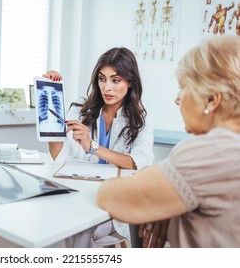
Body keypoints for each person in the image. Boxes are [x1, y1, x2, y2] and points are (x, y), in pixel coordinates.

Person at [96, 35, 240, 248]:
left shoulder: (212, 151)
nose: (177, 99)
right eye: (103, 79)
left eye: (183, 87)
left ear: (211, 99)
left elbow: (110, 197)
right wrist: (172, 206)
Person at [43, 47, 155, 247]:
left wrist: (92, 146)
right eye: (102, 79)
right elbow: (59, 156)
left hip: (114, 201)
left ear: (130, 82)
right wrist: (53, 97)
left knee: (78, 231)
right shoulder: (80, 109)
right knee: (55, 226)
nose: (107, 88)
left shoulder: (142, 119)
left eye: (116, 80)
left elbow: (138, 162)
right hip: (81, 193)